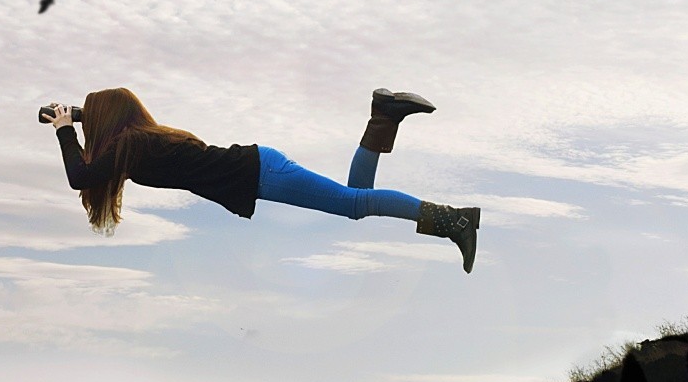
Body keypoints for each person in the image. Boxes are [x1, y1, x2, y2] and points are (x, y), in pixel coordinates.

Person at [44, 87, 481, 272]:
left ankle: (453, 220)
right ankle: (384, 115)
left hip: (260, 173)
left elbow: (79, 176)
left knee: (354, 204)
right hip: (259, 168)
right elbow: (93, 161)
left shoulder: (132, 146)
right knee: (357, 199)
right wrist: (76, 117)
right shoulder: (138, 140)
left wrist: (65, 128)